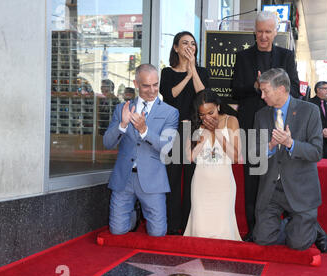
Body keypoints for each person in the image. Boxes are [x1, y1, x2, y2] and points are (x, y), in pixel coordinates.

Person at [232, 11, 300, 241]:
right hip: (252, 127)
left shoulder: (287, 56)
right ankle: (254, 230)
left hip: (281, 128)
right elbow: (235, 90)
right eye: (259, 31)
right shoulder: (243, 57)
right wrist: (255, 85)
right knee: (253, 180)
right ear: (254, 31)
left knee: (284, 178)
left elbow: (296, 90)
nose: (263, 36)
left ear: (275, 32)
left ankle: (292, 228)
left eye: (268, 31)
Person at [250, 68, 327, 253]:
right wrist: (269, 146)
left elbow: (316, 152)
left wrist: (291, 143)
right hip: (271, 189)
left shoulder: (310, 111)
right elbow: (254, 154)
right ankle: (300, 225)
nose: (262, 96)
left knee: (298, 245)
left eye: (265, 91)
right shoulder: (261, 115)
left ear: (281, 89)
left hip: (300, 188)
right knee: (261, 239)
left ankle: (312, 228)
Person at [103, 64, 179, 236]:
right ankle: (134, 216)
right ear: (136, 84)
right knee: (117, 231)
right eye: (146, 85)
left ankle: (137, 214)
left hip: (153, 179)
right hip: (124, 178)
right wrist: (122, 125)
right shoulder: (122, 109)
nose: (152, 90)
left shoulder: (170, 112)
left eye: (155, 85)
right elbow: (107, 143)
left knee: (158, 233)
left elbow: (166, 147)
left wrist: (144, 130)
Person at [160, 31, 209, 235]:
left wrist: (193, 70)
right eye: (185, 43)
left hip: (195, 130)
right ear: (176, 48)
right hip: (172, 130)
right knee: (173, 178)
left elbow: (204, 96)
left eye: (193, 43)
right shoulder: (167, 73)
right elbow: (170, 96)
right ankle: (172, 225)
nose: (190, 47)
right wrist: (187, 74)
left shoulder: (203, 72)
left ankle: (188, 225)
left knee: (192, 178)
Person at [183, 89, 242, 241]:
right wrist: (203, 136)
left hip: (224, 185)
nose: (207, 117)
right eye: (202, 114)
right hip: (201, 185)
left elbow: (235, 157)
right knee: (200, 229)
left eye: (211, 112)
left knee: (223, 230)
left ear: (218, 107)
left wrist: (217, 132)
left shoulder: (231, 121)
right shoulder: (195, 124)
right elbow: (189, 157)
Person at [309, 81, 327, 159]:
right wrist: (320, 130)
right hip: (314, 140)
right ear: (318, 90)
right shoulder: (309, 103)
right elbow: (309, 120)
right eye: (325, 88)